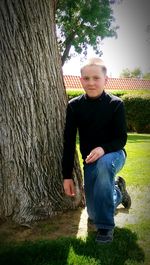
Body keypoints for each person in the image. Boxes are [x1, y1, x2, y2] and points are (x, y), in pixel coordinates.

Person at [62, 58, 131, 243]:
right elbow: (68, 142)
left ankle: (105, 228)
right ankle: (118, 192)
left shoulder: (116, 104)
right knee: (93, 211)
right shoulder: (74, 106)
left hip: (114, 154)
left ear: (105, 80)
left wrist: (103, 148)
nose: (91, 82)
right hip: (90, 161)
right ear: (81, 79)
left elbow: (121, 139)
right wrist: (66, 175)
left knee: (104, 163)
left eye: (96, 78)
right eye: (86, 78)